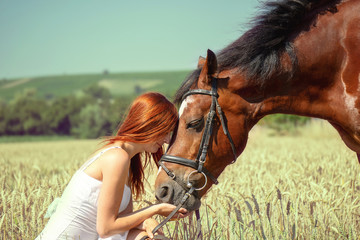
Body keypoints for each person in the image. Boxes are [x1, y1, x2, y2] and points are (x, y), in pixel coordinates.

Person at [36, 92, 188, 240]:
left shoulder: (125, 160)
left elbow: (121, 222)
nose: (167, 140)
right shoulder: (117, 158)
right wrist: (156, 209)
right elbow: (106, 228)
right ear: (149, 123)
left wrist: (146, 222)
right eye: (165, 131)